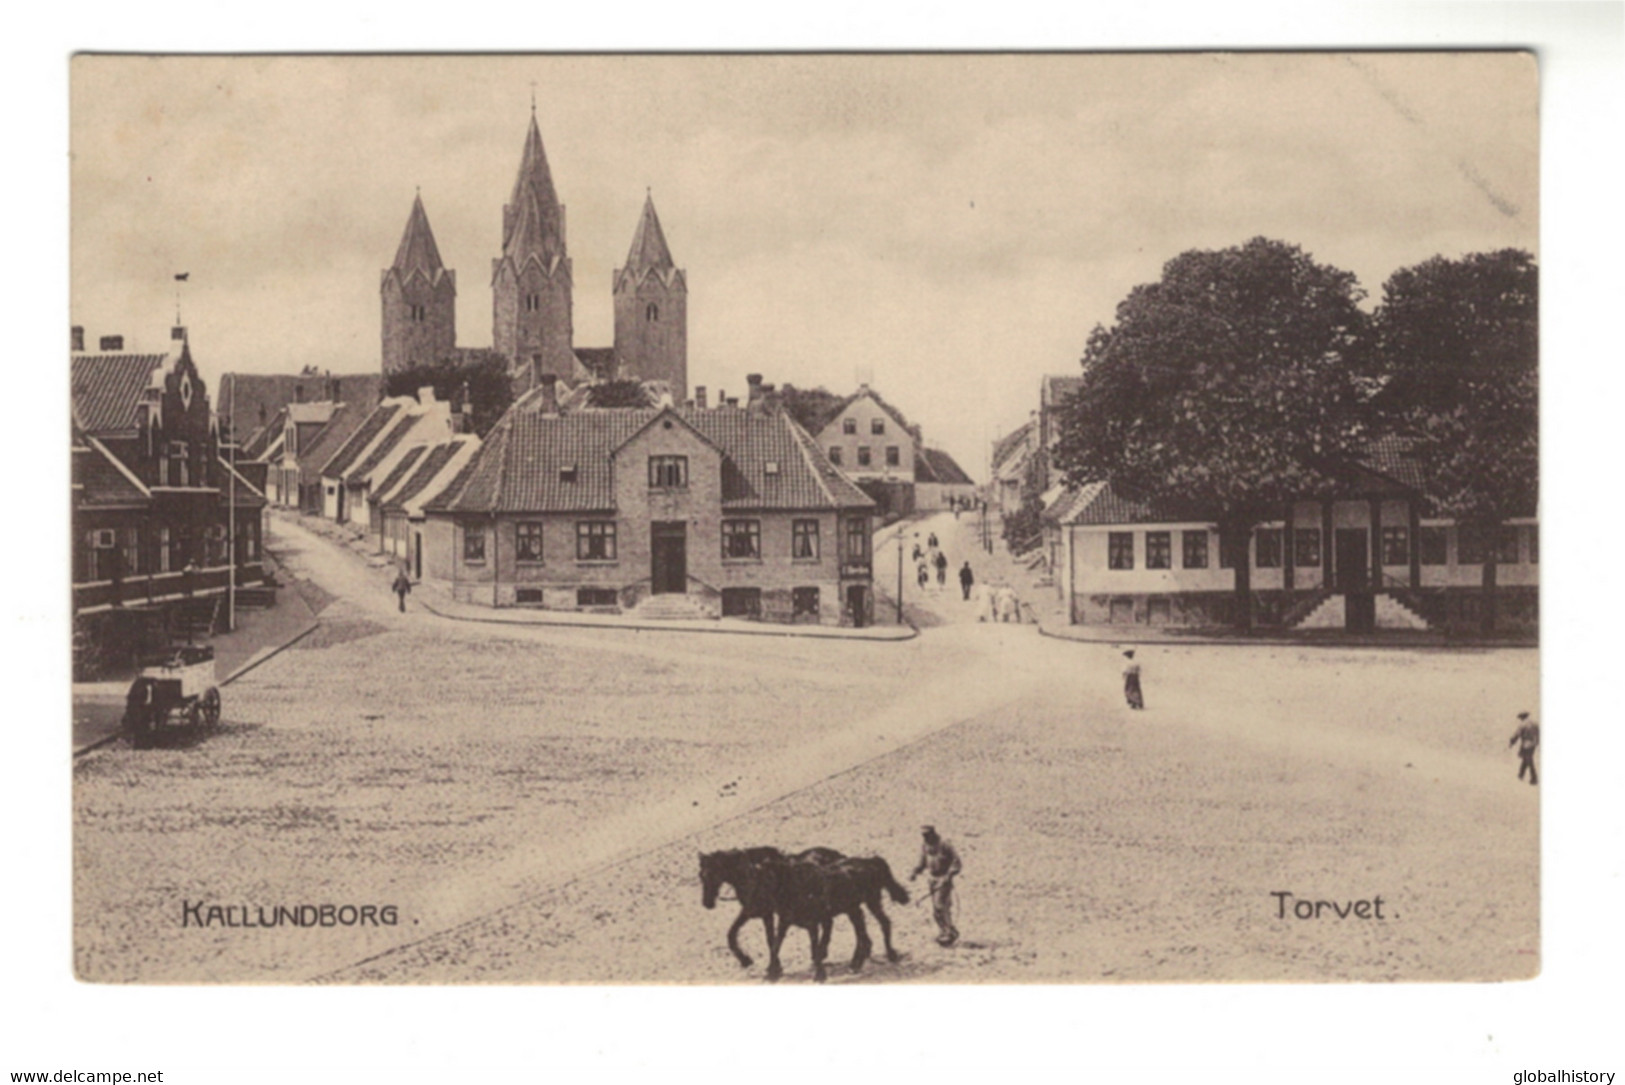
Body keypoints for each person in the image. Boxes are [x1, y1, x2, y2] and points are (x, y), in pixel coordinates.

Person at [910, 824, 962, 947]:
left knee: (940, 906)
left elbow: (956, 862)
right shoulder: (925, 846)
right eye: (923, 835)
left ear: (933, 833)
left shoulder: (945, 845)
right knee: (936, 909)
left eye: (927, 835)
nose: (925, 837)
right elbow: (922, 862)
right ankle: (946, 931)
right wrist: (915, 872)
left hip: (943, 879)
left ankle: (948, 932)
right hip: (932, 879)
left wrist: (948, 875)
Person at [1508, 711, 1539, 785]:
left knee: (1529, 761)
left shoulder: (1523, 724)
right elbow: (1539, 734)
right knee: (1526, 759)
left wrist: (1511, 742)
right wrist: (1537, 742)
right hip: (1533, 744)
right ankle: (1520, 775)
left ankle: (1534, 778)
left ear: (1522, 717)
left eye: (1520, 717)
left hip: (1526, 744)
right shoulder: (1535, 723)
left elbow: (1516, 735)